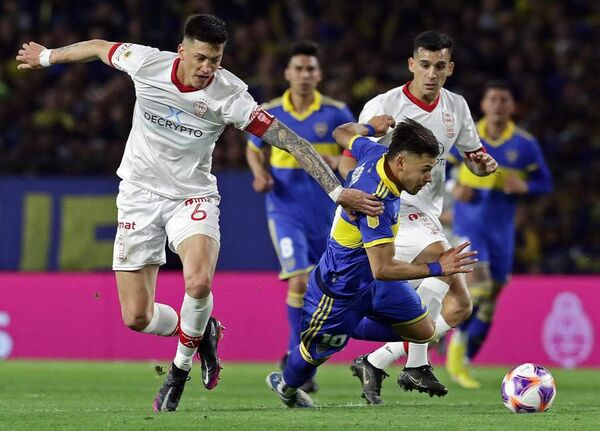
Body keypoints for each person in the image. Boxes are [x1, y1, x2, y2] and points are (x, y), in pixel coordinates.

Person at [16, 14, 384, 412]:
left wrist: (336, 190)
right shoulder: (145, 62)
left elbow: (291, 141)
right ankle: (201, 329)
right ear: (182, 51)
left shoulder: (231, 95)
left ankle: (179, 370)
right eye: (202, 58)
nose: (209, 68)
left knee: (197, 284)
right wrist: (48, 57)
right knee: (136, 317)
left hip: (193, 197)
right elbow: (97, 47)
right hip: (138, 196)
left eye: (217, 59)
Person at [267, 116, 478, 408]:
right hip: (341, 290)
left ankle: (363, 346)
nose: (429, 178)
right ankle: (287, 385)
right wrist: (437, 267)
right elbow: (384, 267)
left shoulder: (375, 152)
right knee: (310, 357)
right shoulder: (374, 202)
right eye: (426, 170)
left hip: (376, 285)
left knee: (425, 330)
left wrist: (370, 128)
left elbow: (341, 131)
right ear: (402, 162)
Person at [339, 30, 498, 403]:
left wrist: (483, 164)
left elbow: (474, 156)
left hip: (428, 214)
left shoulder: (456, 107)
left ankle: (377, 361)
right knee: (444, 260)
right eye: (424, 65)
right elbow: (351, 154)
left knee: (460, 305)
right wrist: (351, 197)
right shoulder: (385, 105)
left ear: (449, 68)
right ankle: (416, 365)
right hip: (389, 207)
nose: (431, 73)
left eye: (439, 66)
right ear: (412, 64)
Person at [246, 41, 355, 393]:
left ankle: (303, 355)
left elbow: (353, 153)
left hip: (328, 215)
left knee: (324, 289)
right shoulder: (271, 111)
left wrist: (345, 165)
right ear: (288, 74)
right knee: (298, 281)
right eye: (299, 69)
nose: (305, 75)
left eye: (311, 69)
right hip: (285, 210)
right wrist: (260, 174)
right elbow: (253, 149)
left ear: (319, 75)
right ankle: (296, 356)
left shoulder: (337, 113)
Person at [445, 81, 553, 388]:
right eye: (493, 99)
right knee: (479, 289)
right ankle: (455, 354)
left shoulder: (525, 144)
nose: (498, 105)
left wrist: (527, 187)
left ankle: (465, 357)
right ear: (483, 104)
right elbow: (439, 171)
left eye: (504, 99)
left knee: (492, 297)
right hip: (469, 227)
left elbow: (545, 182)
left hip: (502, 231)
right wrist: (455, 188)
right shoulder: (466, 136)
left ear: (512, 106)